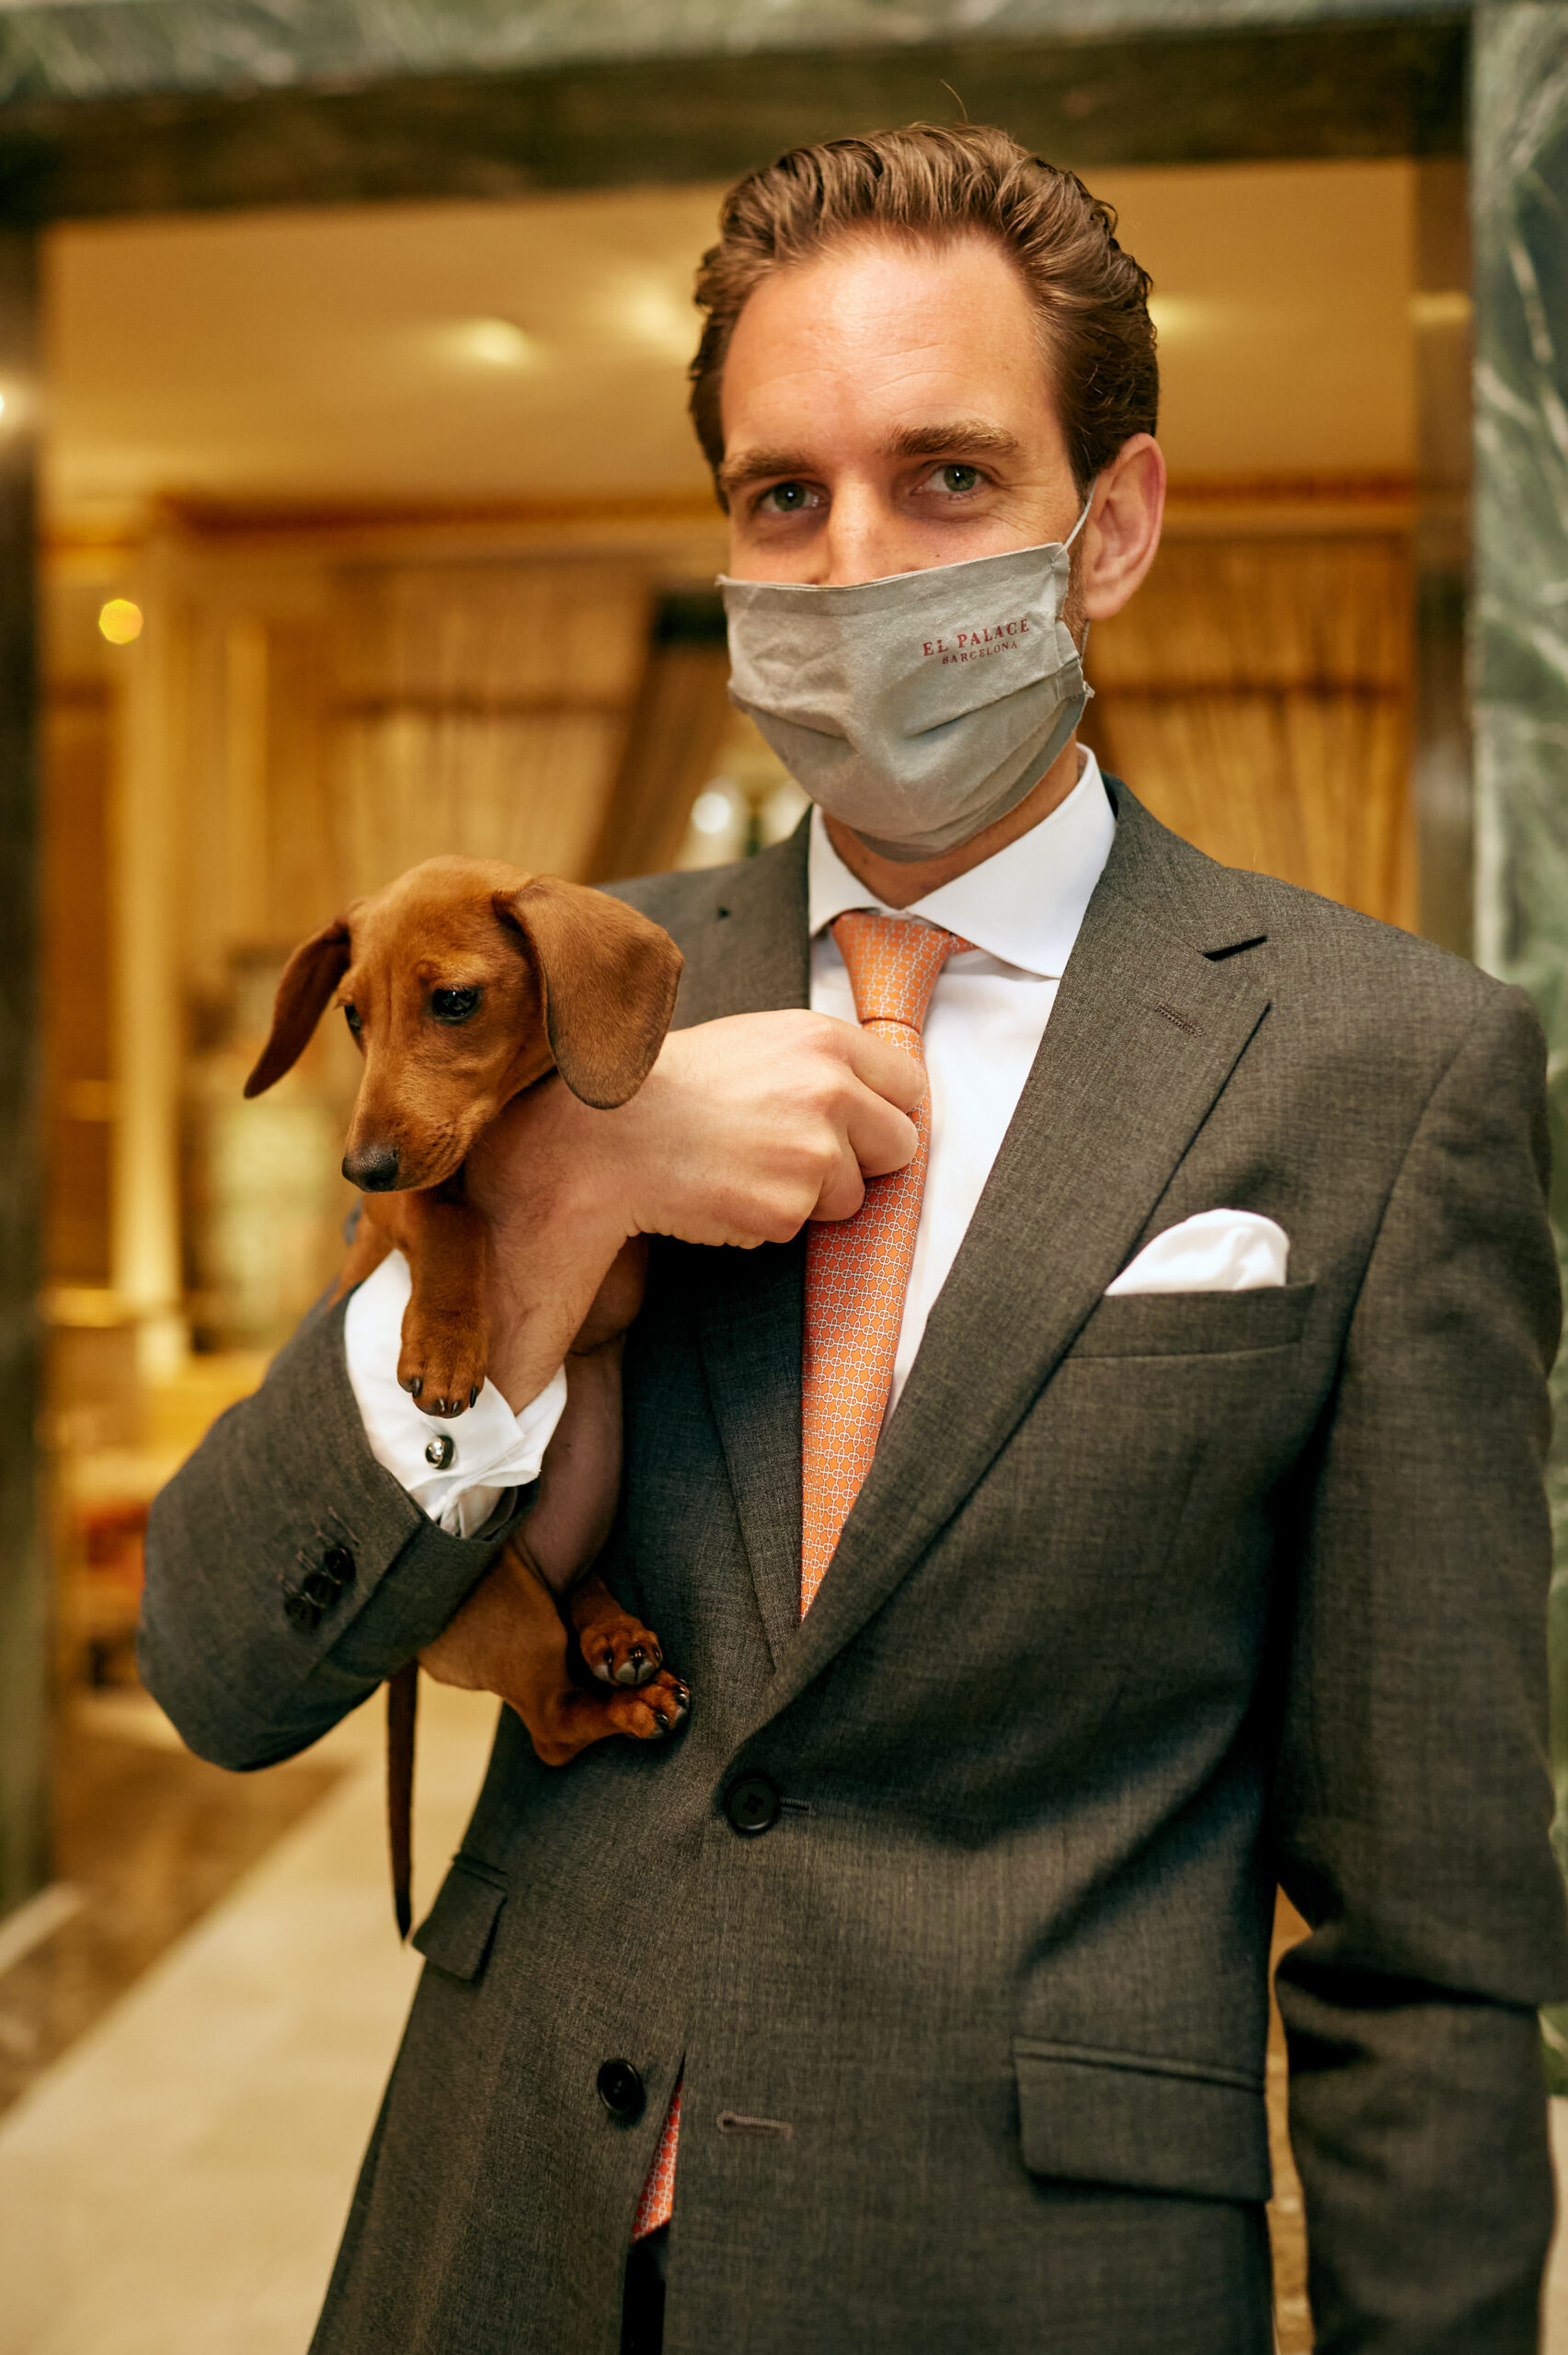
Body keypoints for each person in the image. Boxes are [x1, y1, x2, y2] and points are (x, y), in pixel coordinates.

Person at [140, 125, 1568, 2355]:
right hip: (496, 2239)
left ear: (1111, 524)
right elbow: (226, 1659)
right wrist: (567, 1190)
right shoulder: (557, 986)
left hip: (1022, 2277)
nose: (852, 562)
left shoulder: (1384, 1071)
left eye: (946, 477)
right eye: (782, 495)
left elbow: (1432, 1944)